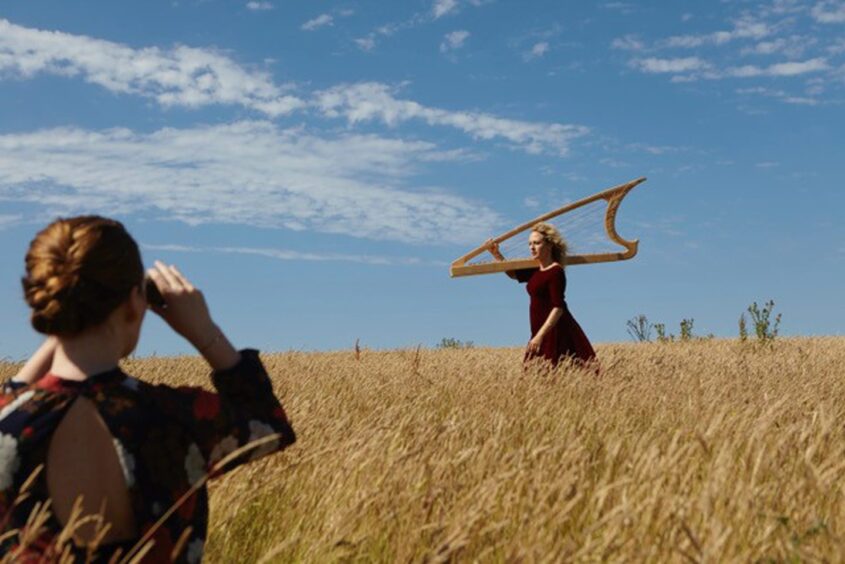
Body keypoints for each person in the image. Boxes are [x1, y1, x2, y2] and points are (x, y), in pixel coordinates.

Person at [0, 216, 296, 562]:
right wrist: (204, 331)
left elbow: (13, 398)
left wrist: (66, 324)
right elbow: (267, 423)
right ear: (133, 302)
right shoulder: (175, 416)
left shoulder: (10, 423)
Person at [487, 222, 597, 369]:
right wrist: (496, 254)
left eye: (536, 243)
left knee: (557, 373)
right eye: (530, 244)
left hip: (554, 331)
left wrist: (540, 336)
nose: (532, 247)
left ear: (549, 245)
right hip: (537, 329)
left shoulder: (556, 271)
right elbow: (513, 274)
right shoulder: (535, 269)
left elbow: (558, 307)